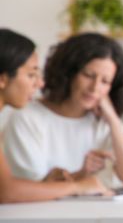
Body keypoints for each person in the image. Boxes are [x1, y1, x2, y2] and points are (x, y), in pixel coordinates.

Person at [3, 33, 123, 190]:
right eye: (88, 75)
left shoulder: (105, 122)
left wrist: (113, 120)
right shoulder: (27, 117)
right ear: (68, 73)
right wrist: (80, 175)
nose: (95, 88)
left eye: (105, 81)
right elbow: (29, 190)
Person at [0, 28, 111, 203]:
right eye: (31, 75)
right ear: (3, 79)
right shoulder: (26, 118)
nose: (40, 83)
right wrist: (79, 186)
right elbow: (6, 192)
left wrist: (47, 184)